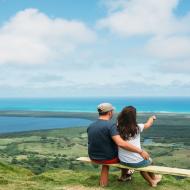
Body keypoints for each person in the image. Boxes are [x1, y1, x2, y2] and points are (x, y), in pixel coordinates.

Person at [87, 103, 150, 187]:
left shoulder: (91, 125)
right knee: (125, 156)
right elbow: (120, 143)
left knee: (113, 158)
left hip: (93, 156)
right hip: (107, 158)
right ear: (110, 113)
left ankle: (124, 175)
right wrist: (140, 151)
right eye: (112, 111)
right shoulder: (110, 126)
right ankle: (128, 173)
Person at [117, 106, 162, 187]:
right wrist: (152, 118)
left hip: (122, 159)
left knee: (136, 163)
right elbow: (148, 124)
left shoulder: (117, 127)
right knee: (149, 162)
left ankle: (124, 176)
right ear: (133, 117)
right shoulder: (137, 127)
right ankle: (153, 180)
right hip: (135, 162)